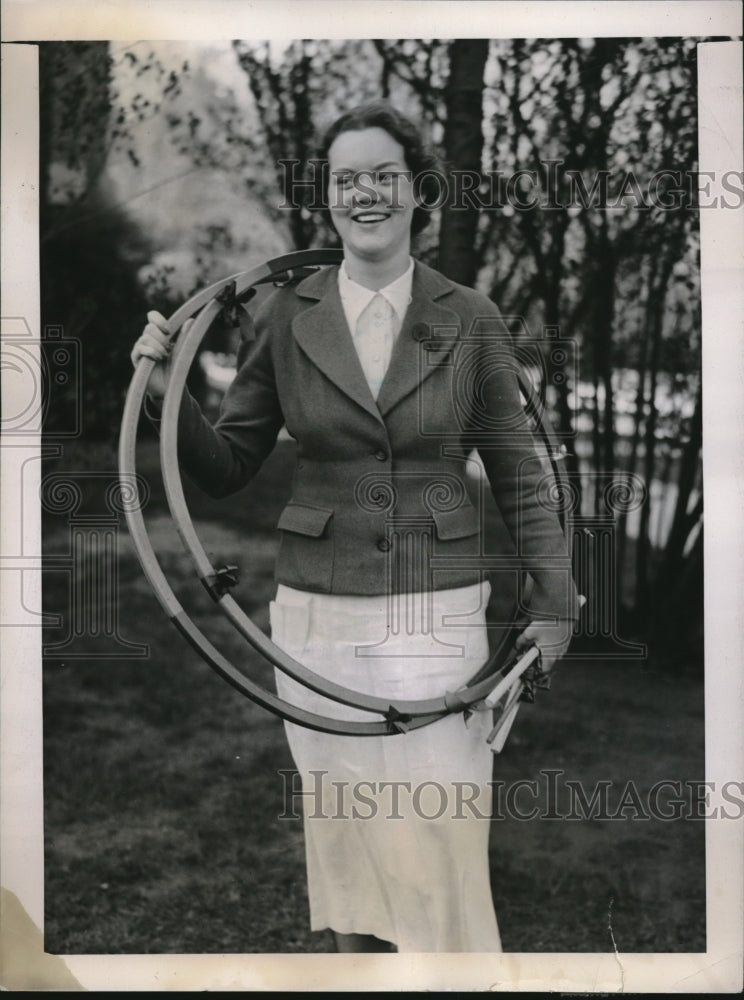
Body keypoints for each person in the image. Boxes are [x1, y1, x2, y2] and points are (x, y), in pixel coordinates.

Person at [132, 100, 579, 954]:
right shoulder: (290, 316)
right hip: (318, 615)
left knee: (441, 834)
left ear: (419, 191)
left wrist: (555, 603)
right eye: (346, 179)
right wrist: (167, 396)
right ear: (326, 197)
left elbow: (522, 476)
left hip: (436, 613)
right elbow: (228, 465)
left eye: (383, 175)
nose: (364, 193)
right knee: (348, 842)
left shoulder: (471, 316)